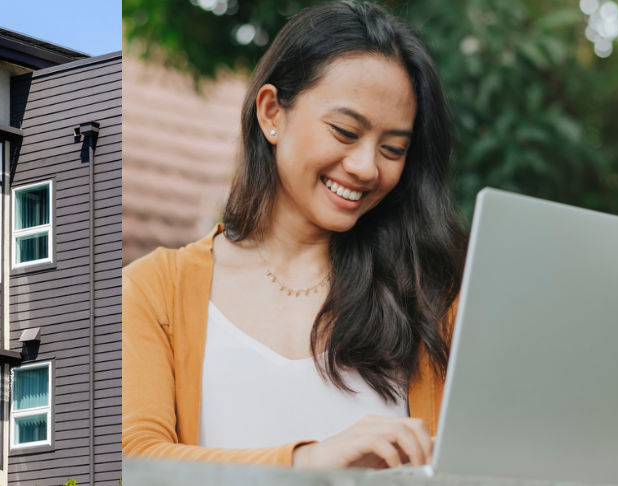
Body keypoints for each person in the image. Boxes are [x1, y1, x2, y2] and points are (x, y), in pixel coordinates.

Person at [122, 1, 465, 469]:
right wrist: (308, 462)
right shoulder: (155, 290)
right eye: (345, 131)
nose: (367, 167)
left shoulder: (434, 302)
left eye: (393, 149)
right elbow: (135, 461)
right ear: (271, 114)